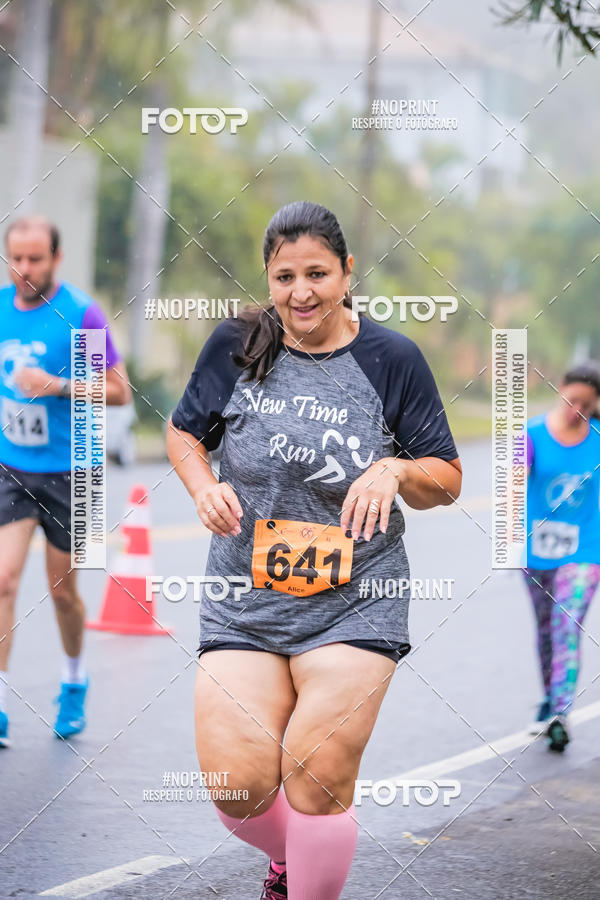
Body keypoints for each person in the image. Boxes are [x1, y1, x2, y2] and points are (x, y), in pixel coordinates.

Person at [167, 201, 462, 899]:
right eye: (285, 275)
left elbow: (445, 480)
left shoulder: (392, 359)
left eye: (318, 274)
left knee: (316, 772)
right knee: (235, 786)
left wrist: (395, 470)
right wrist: (203, 484)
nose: (302, 292)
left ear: (347, 272)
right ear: (268, 278)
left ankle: (308, 874)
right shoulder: (238, 343)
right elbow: (183, 434)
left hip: (356, 601)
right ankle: (293, 858)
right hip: (246, 600)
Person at [0, 216, 130, 748]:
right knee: (3, 580)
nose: (24, 270)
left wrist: (54, 386)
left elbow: (118, 391)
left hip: (78, 471)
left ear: (56, 258)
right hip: (11, 466)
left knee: (63, 591)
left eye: (35, 259)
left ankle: (74, 680)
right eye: (16, 259)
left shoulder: (79, 313)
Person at [524, 363, 600, 752]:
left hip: (586, 550)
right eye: (572, 401)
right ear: (560, 390)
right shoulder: (532, 435)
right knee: (546, 631)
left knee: (566, 624)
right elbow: (508, 486)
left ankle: (560, 713)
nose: (577, 411)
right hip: (537, 551)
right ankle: (550, 700)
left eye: (586, 406)